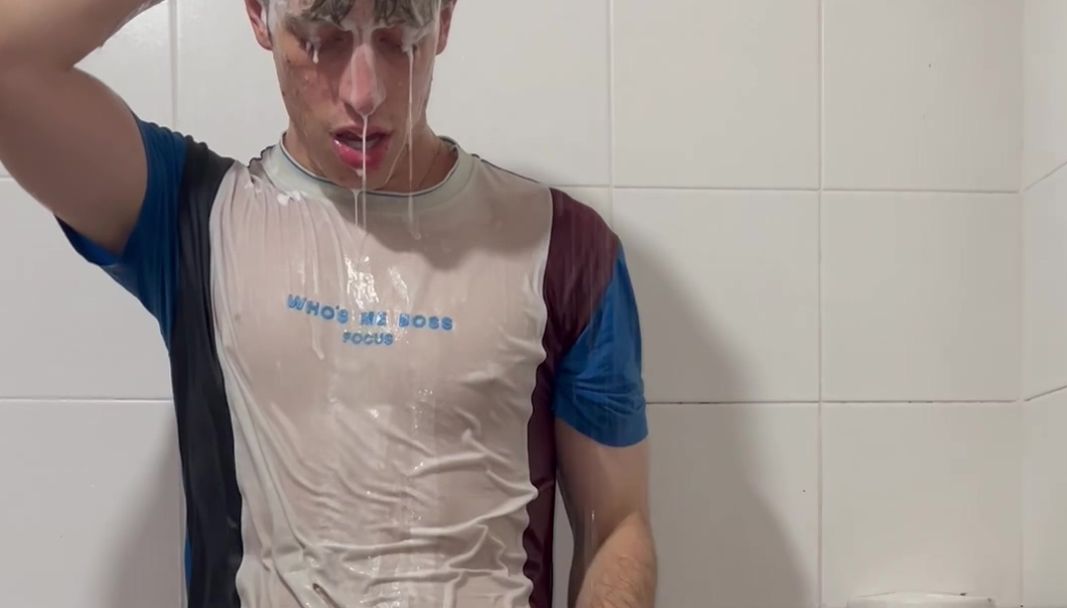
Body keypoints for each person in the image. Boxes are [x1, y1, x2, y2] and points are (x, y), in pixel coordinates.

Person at [0, 0, 657, 606]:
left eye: (399, 37)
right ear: (260, 15)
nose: (364, 94)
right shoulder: (194, 218)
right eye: (321, 37)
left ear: (445, 20)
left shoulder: (559, 247)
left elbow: (616, 526)